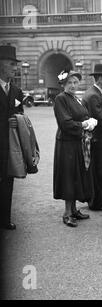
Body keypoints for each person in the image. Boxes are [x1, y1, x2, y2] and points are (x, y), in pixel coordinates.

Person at [53, 69, 97, 227]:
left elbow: (81, 115)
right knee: (68, 176)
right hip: (66, 144)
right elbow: (65, 123)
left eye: (75, 82)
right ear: (63, 84)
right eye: (69, 82)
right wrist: (84, 124)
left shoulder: (75, 98)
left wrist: (90, 121)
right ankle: (67, 213)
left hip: (77, 142)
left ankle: (74, 209)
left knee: (76, 175)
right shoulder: (61, 99)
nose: (73, 85)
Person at [82, 64, 102, 211]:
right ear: (100, 78)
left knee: (97, 171)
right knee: (97, 172)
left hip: (97, 138)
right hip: (97, 139)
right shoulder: (94, 95)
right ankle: (96, 203)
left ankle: (96, 201)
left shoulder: (96, 93)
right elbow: (101, 119)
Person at [0, 45, 24, 230]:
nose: (15, 68)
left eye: (15, 65)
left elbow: (21, 113)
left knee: (8, 183)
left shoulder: (16, 91)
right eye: (11, 64)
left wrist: (18, 120)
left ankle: (5, 219)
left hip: (9, 147)